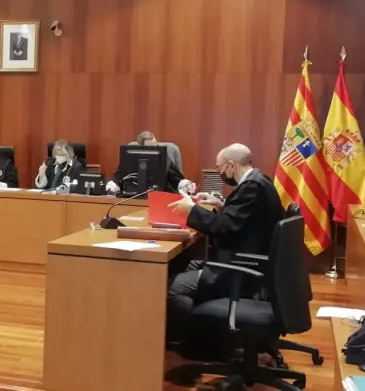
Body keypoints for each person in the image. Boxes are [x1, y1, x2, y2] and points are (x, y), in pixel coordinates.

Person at [164, 144, 283, 344]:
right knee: (186, 265)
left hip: (239, 268)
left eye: (220, 167)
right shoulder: (260, 181)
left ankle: (207, 340)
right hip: (250, 261)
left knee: (170, 288)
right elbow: (244, 219)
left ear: (231, 165)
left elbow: (224, 227)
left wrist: (192, 209)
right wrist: (221, 203)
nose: (219, 172)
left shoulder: (251, 187)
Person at [107, 130, 193, 195]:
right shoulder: (129, 158)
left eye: (156, 146)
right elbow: (118, 178)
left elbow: (176, 179)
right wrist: (112, 186)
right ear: (140, 147)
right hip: (132, 197)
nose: (155, 149)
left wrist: (186, 185)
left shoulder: (165, 159)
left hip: (160, 197)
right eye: (151, 147)